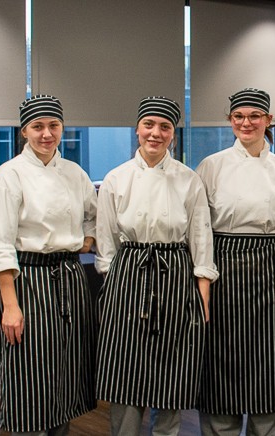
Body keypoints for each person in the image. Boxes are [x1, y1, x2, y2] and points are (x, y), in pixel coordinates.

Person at [95, 96, 218, 436]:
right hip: (129, 271)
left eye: (165, 127)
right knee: (126, 366)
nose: (156, 133)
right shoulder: (116, 179)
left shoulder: (188, 179)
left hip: (176, 272)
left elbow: (200, 236)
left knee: (173, 367)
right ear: (137, 130)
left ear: (173, 136)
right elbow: (105, 242)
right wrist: (114, 285)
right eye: (149, 125)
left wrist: (203, 290)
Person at [0, 95, 97, 435]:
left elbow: (93, 216)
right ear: (24, 132)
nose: (46, 134)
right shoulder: (9, 175)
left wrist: (87, 240)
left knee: (66, 370)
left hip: (70, 277)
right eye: (38, 127)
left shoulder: (74, 172)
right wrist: (10, 305)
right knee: (28, 371)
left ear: (62, 128)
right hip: (27, 281)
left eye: (53, 126)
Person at [195, 88, 275, 436]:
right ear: (230, 121)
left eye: (255, 116)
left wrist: (269, 257)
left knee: (269, 360)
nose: (247, 123)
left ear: (269, 120)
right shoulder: (211, 166)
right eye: (239, 116)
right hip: (222, 265)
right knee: (221, 358)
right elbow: (200, 227)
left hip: (271, 265)